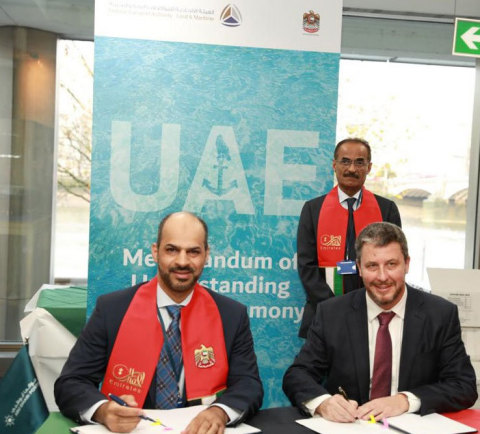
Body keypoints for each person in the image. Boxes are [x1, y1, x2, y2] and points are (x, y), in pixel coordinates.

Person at [55, 211, 263, 433]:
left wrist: (219, 412)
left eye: (193, 252)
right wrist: (104, 411)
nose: (182, 262)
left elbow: (248, 384)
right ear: (155, 252)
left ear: (206, 255)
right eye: (172, 250)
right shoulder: (113, 309)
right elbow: (71, 382)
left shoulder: (231, 314)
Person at [283, 222, 477, 422]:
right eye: (372, 266)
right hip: (350, 427)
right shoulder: (332, 313)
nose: (382, 277)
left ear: (407, 264)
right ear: (359, 268)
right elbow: (297, 375)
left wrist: (405, 400)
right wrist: (323, 403)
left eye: (391, 264)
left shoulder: (440, 314)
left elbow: (464, 386)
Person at [297, 137, 402, 338]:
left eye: (359, 162)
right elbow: (306, 266)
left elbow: (393, 264)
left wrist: (368, 306)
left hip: (373, 314)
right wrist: (334, 308)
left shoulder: (386, 210)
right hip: (324, 313)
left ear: (369, 167)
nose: (352, 169)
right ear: (334, 165)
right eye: (345, 161)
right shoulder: (313, 209)